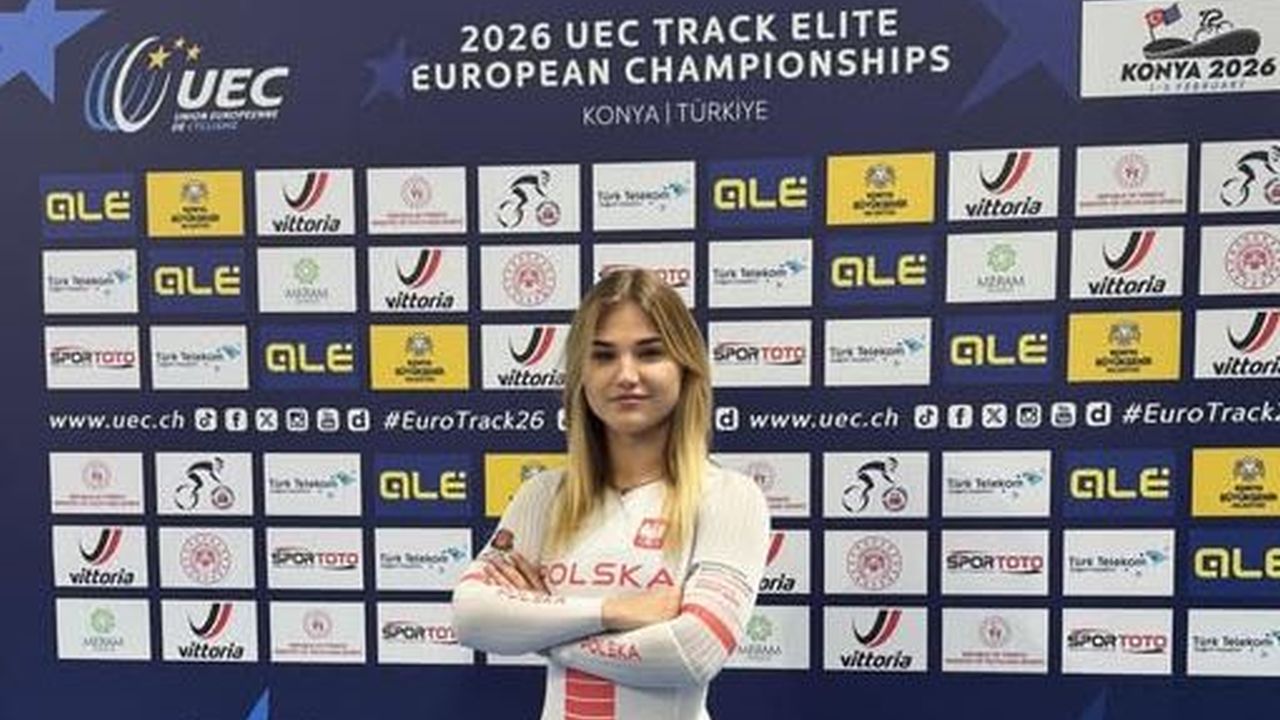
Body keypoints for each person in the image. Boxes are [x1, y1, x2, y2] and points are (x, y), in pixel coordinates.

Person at [452, 268, 770, 720]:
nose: (626, 374)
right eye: (603, 356)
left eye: (650, 353)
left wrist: (543, 631)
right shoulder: (543, 496)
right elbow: (471, 617)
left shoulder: (728, 497)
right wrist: (614, 611)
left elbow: (693, 650)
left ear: (685, 367)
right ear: (581, 373)